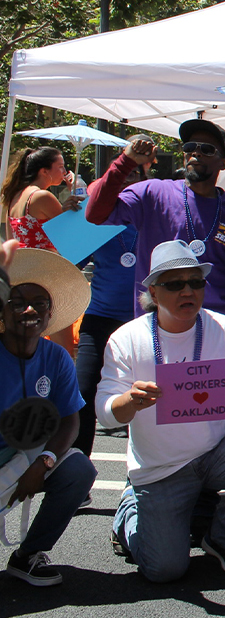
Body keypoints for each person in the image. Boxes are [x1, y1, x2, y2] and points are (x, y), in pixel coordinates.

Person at [103, 240, 225, 583]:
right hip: (161, 467)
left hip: (217, 450)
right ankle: (130, 511)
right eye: (175, 284)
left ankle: (223, 537)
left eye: (196, 282)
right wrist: (128, 401)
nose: (188, 291)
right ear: (154, 294)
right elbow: (106, 412)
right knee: (164, 571)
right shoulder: (126, 339)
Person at [85, 121, 225, 332]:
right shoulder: (152, 193)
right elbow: (95, 214)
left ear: (223, 163)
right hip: (161, 329)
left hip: (218, 331)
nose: (195, 154)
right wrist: (125, 162)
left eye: (207, 149)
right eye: (190, 148)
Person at [1, 249, 98, 586]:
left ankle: (28, 556)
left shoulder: (55, 356)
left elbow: (70, 419)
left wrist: (43, 462)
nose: (30, 310)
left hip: (25, 454)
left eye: (40, 303)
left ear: (49, 313)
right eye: (17, 301)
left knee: (77, 469)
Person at [74, 138, 154, 457]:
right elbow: (67, 267)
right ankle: (76, 473)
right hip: (100, 320)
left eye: (135, 174)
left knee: (147, 400)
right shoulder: (96, 221)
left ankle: (143, 483)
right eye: (123, 174)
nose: (128, 181)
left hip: (145, 321)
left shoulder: (152, 216)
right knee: (82, 394)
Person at [3, 146, 78, 251]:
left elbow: (10, 240)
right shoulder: (42, 196)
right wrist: (77, 192)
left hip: (20, 263)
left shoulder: (15, 195)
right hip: (44, 263)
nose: (65, 171)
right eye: (60, 166)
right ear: (44, 171)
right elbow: (72, 230)